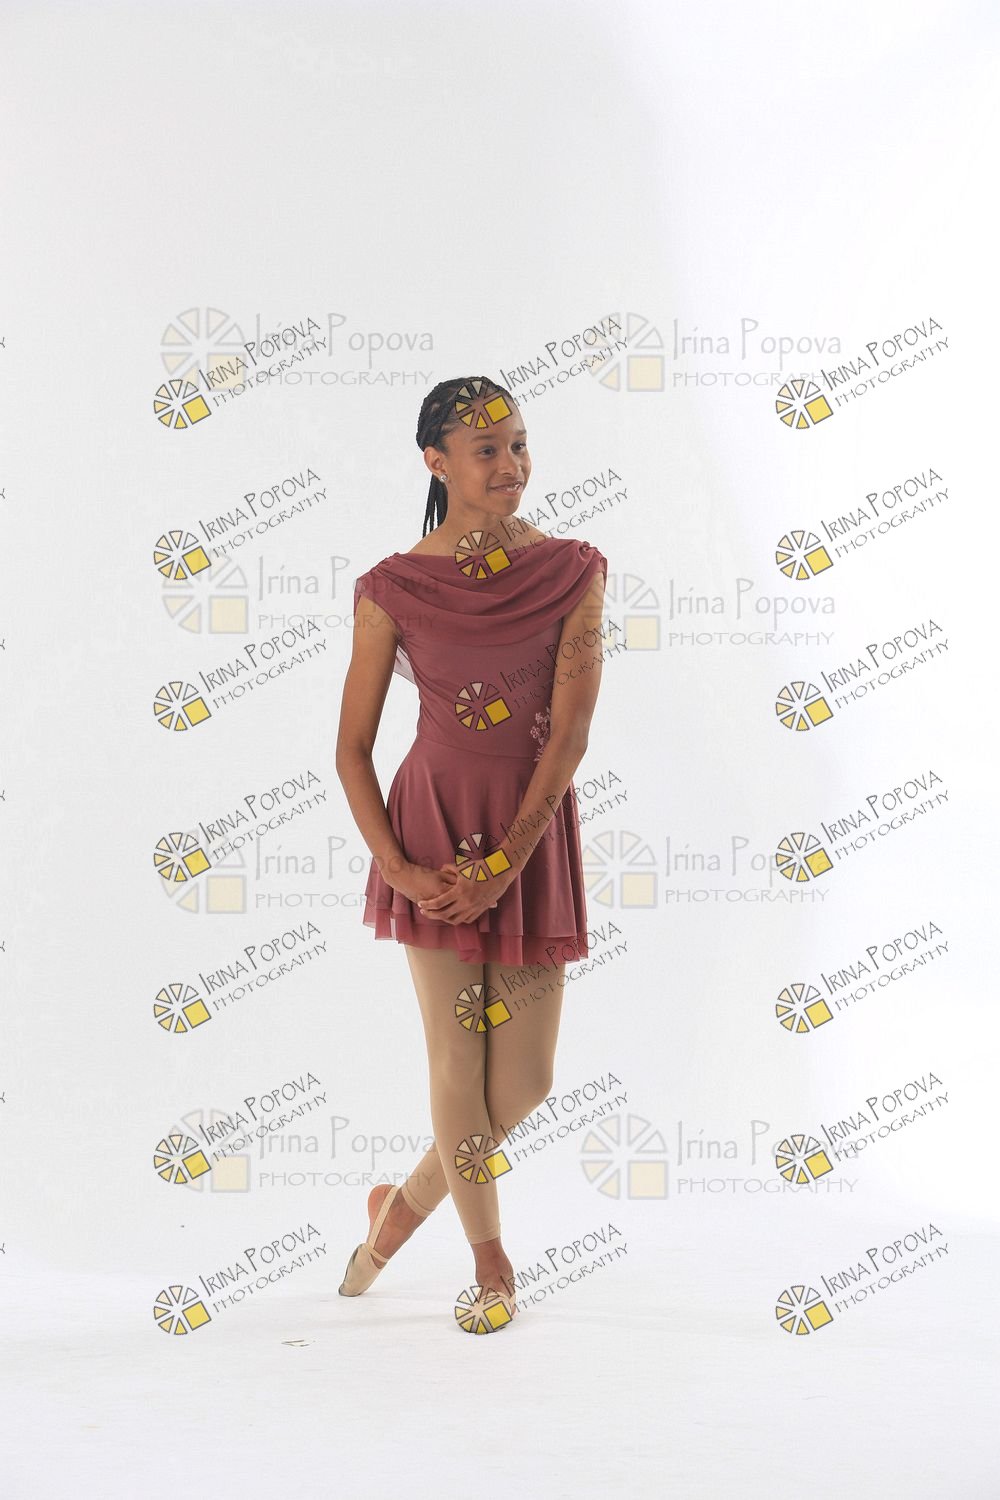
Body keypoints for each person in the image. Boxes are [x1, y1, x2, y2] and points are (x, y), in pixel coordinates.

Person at [335, 375, 608, 1333]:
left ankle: (397, 1212)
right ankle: (492, 1263)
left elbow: (569, 733)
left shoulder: (573, 569)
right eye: (486, 449)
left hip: (531, 828)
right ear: (436, 461)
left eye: (520, 444)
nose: (511, 465)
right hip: (431, 828)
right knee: (458, 1060)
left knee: (523, 1082)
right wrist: (401, 869)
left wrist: (509, 863)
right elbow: (351, 749)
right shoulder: (393, 587)